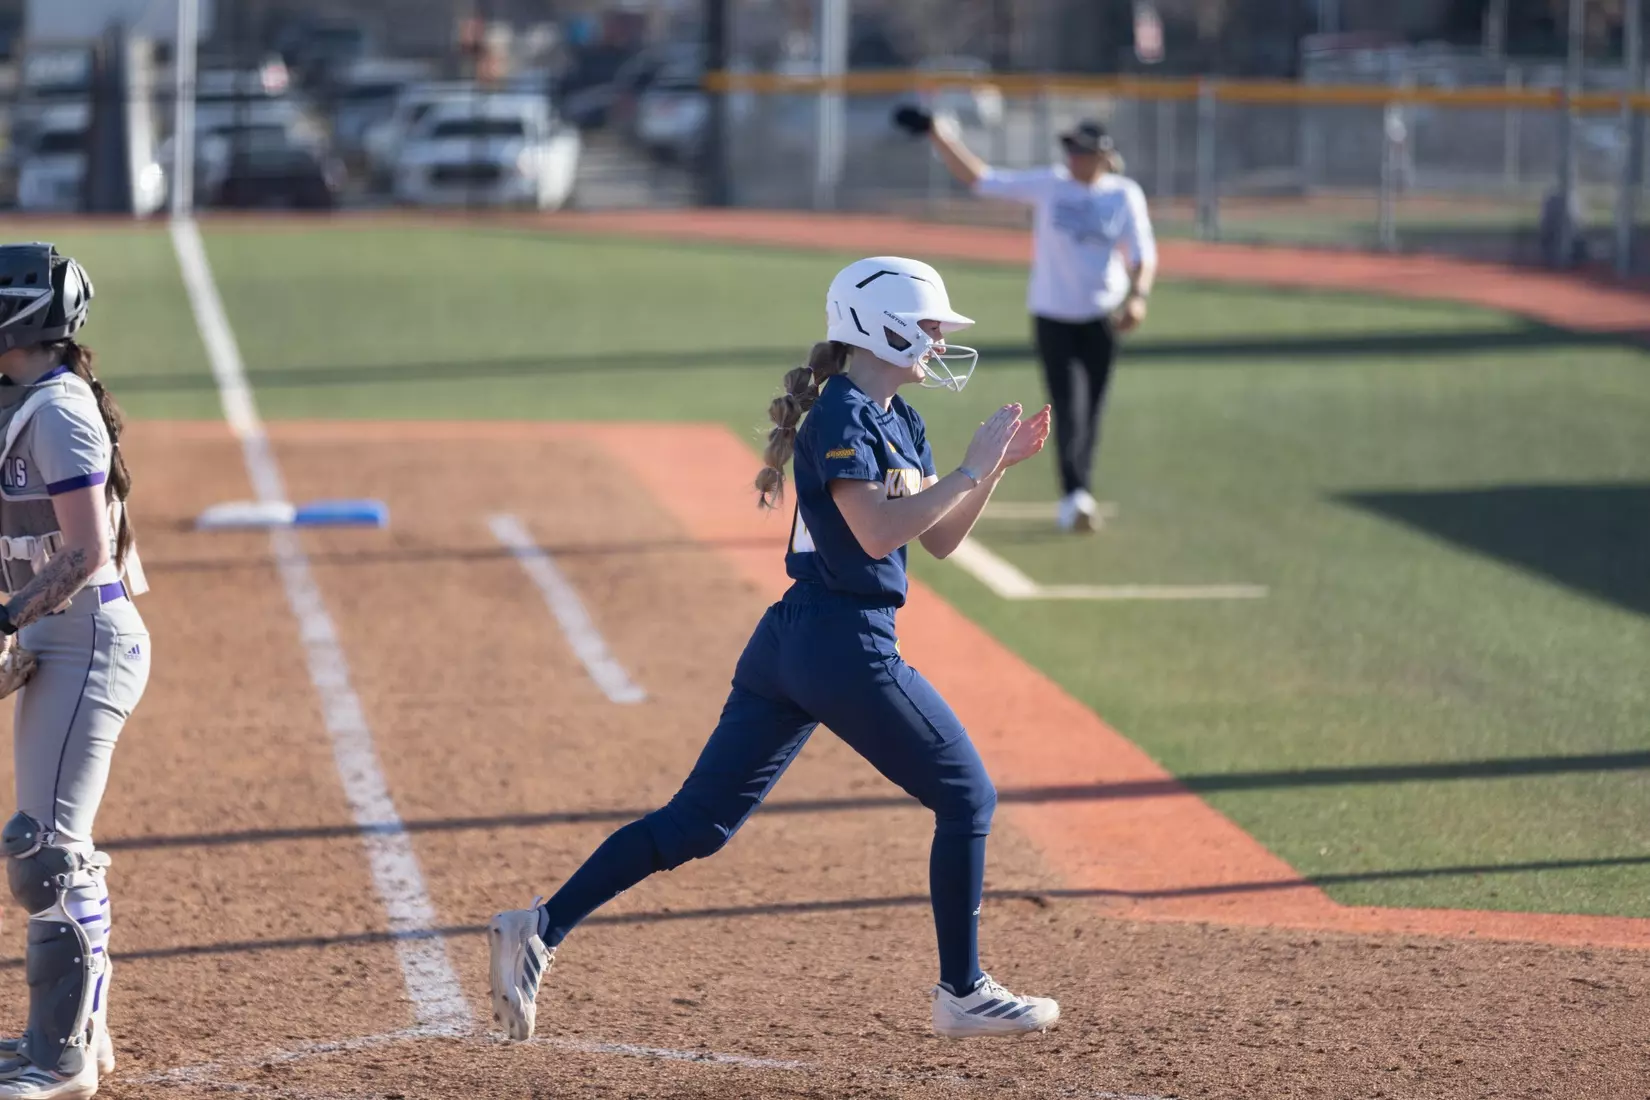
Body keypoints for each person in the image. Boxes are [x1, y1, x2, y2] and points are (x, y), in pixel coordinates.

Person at [489, 256, 1059, 1039]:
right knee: (968, 796)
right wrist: (966, 466)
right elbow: (878, 531)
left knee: (699, 824)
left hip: (797, 644)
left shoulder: (898, 418)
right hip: (840, 641)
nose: (936, 342)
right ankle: (960, 990)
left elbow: (938, 541)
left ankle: (540, 927)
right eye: (927, 327)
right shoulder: (840, 416)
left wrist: (987, 472)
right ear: (879, 325)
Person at [0, 243, 150, 1100]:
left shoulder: (58, 411)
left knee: (47, 852)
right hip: (58, 635)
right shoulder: (23, 402)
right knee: (51, 844)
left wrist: (8, 620)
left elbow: (90, 552)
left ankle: (58, 1061)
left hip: (87, 635)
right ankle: (81, 1036)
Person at [898, 107, 1158, 533]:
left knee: (1092, 408)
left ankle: (1080, 490)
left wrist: (1139, 298)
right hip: (1054, 318)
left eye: (1082, 151)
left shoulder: (1123, 194)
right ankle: (1074, 495)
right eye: (1069, 149)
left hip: (1102, 319)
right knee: (1068, 406)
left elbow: (1142, 253)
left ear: (1102, 156)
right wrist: (937, 133)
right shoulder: (1049, 186)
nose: (1073, 157)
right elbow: (980, 178)